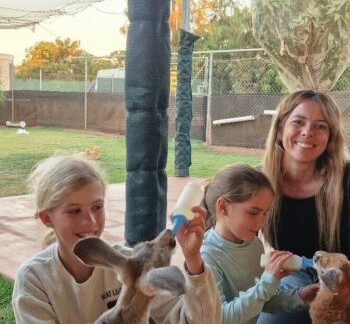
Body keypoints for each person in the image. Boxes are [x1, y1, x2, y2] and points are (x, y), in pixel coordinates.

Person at [12, 154, 221, 324]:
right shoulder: (34, 279)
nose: (90, 222)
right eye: (74, 211)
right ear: (47, 218)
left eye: (97, 207)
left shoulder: (132, 265)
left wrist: (193, 259)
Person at [257, 90, 350, 324]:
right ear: (280, 129)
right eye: (298, 122)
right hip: (298, 274)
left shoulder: (346, 177)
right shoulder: (259, 182)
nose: (308, 132)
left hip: (347, 274)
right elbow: (222, 212)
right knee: (270, 321)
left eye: (321, 126)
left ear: (330, 137)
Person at [200, 163, 318, 324]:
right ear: (223, 207)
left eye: (265, 213)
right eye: (253, 212)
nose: (261, 222)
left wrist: (300, 296)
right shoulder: (206, 256)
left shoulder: (254, 244)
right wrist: (267, 282)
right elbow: (221, 317)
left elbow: (260, 302)